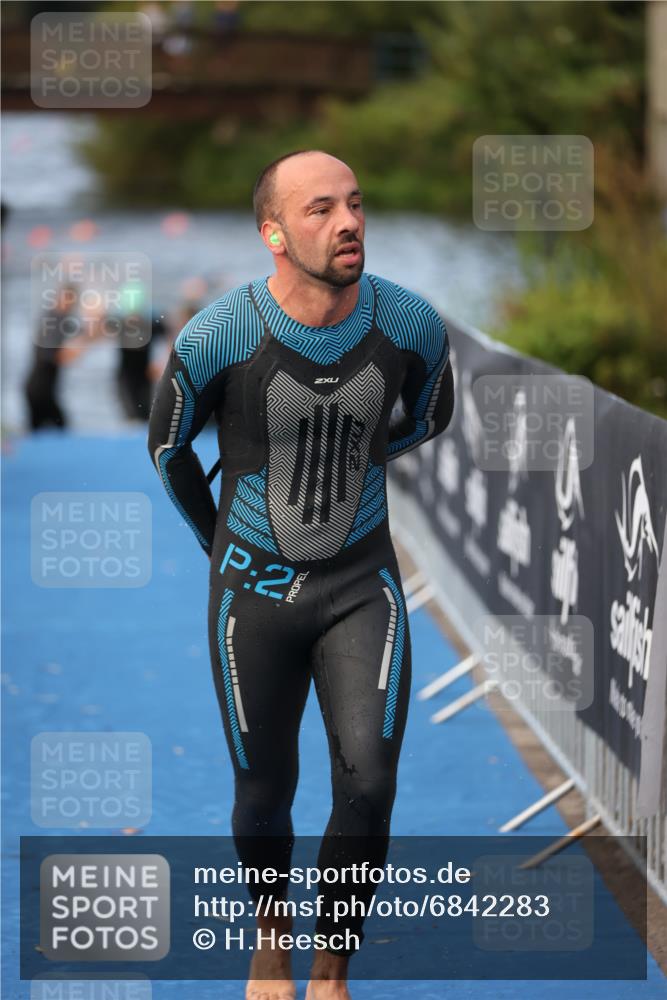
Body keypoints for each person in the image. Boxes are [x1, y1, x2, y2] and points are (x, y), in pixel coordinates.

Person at [147, 150, 454, 1000]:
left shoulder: (410, 323)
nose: (348, 221)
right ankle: (271, 942)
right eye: (320, 209)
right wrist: (220, 547)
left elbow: (430, 413)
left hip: (363, 584)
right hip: (251, 592)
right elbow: (169, 451)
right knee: (263, 792)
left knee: (372, 783)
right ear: (273, 233)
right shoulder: (221, 335)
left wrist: (359, 459)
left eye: (354, 203)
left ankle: (329, 971)